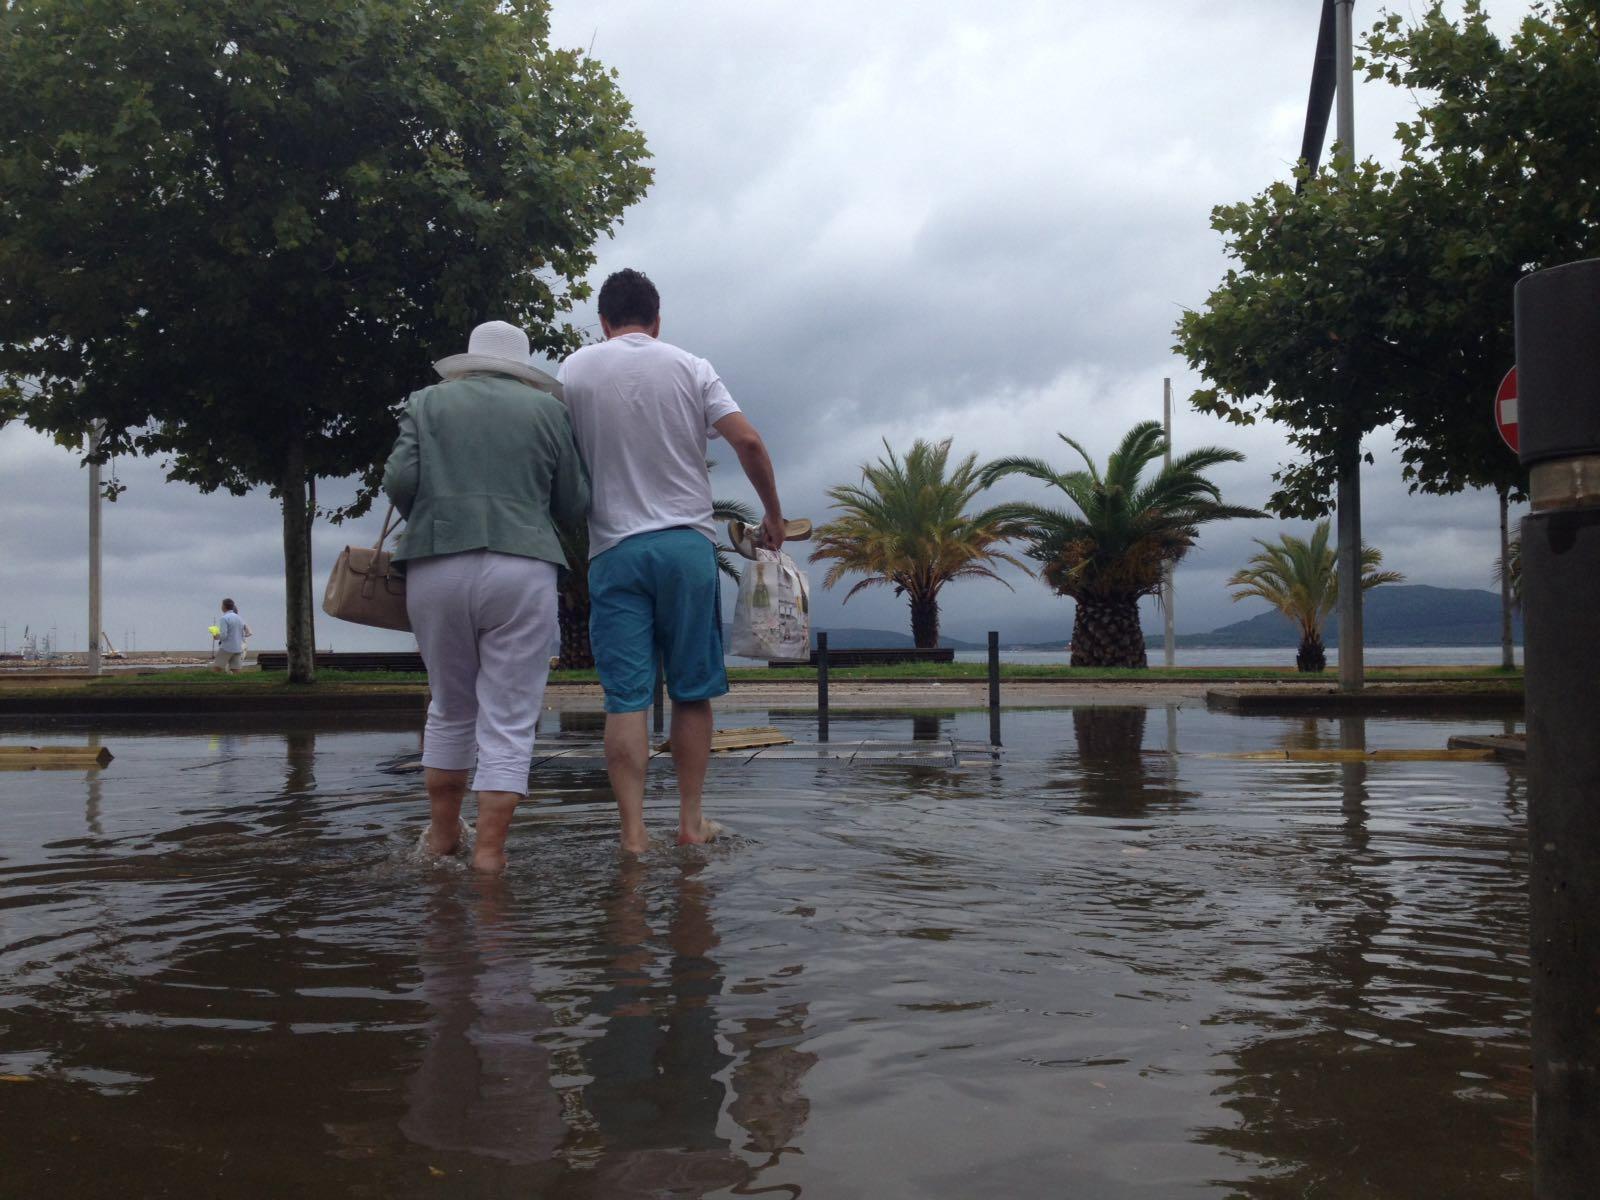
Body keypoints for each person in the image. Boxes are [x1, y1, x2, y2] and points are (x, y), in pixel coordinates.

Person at [558, 269, 785, 854]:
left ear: (603, 322)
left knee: (626, 698)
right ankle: (689, 823)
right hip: (686, 547)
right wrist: (773, 515)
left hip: (614, 551)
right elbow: (749, 442)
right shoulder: (691, 367)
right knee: (691, 692)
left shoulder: (574, 371)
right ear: (657, 321)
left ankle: (633, 835)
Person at [383, 319, 590, 873]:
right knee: (510, 718)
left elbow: (399, 481)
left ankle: (442, 840)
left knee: (450, 707)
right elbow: (573, 503)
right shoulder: (549, 411)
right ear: (523, 368)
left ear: (470, 361)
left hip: (436, 562)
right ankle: (490, 856)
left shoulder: (426, 402)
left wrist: (440, 514)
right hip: (523, 565)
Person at [211, 599, 251, 673]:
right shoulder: (239, 618)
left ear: (224, 606)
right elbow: (243, 633)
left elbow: (224, 635)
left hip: (226, 648)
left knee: (217, 668)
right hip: (238, 647)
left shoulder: (224, 618)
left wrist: (216, 636)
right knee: (236, 670)